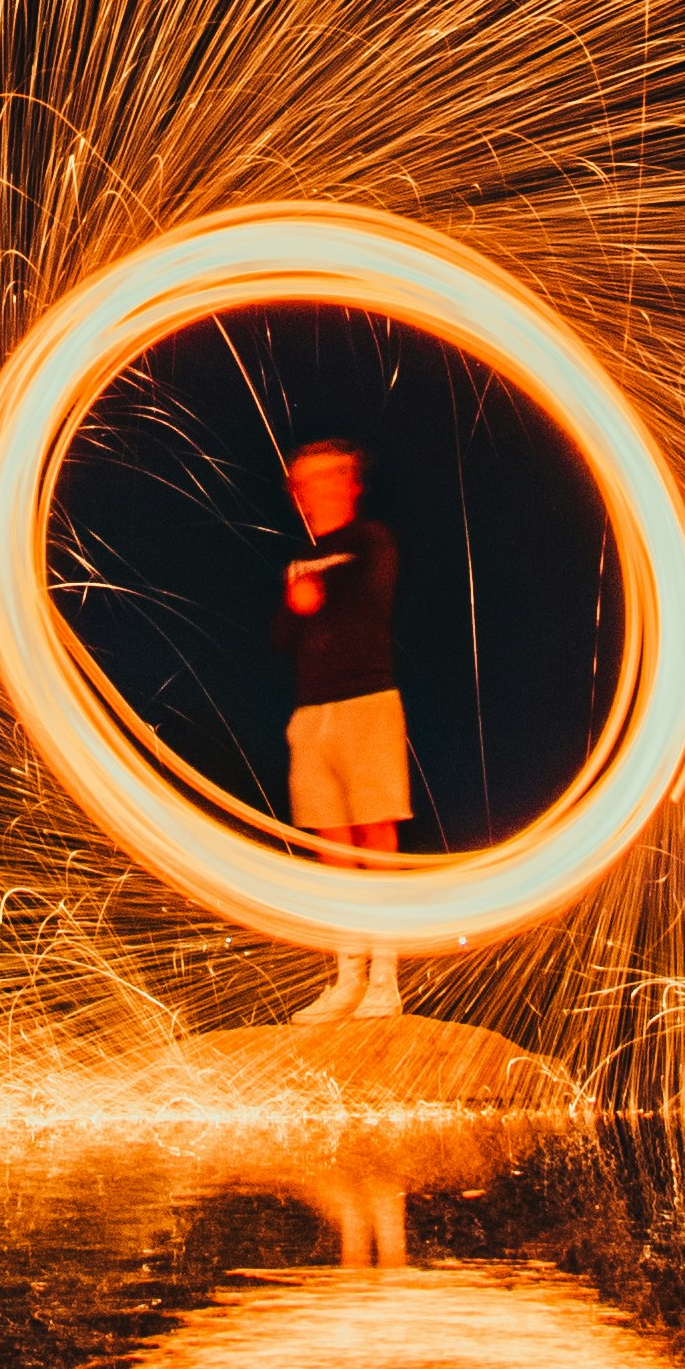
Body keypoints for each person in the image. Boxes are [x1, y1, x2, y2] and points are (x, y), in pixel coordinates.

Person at [277, 435, 407, 1023]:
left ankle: (386, 978)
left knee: (375, 837)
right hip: (311, 714)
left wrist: (318, 599)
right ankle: (346, 978)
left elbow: (372, 600)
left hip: (368, 701)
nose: (312, 489)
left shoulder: (370, 540)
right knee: (333, 848)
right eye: (303, 481)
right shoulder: (298, 559)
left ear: (349, 483)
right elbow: (281, 637)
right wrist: (295, 604)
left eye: (325, 475)